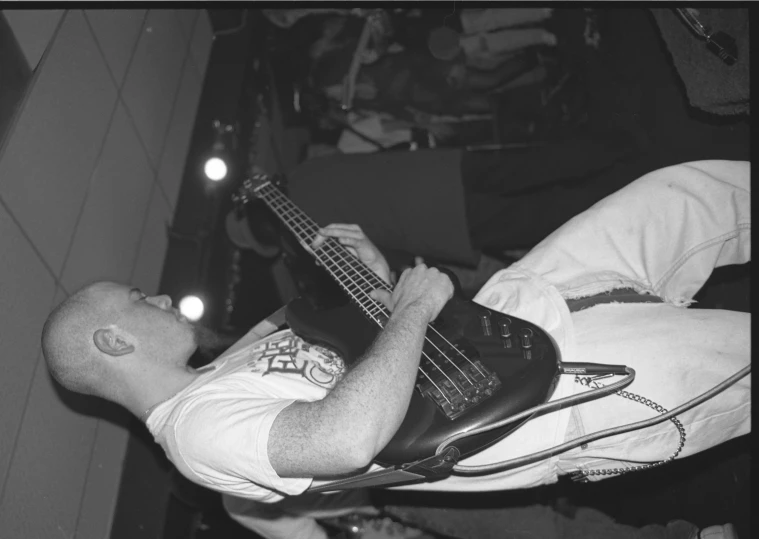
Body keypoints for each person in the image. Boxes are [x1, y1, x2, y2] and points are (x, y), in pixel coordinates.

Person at [41, 160, 750, 539]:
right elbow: (347, 436)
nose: (160, 298)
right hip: (538, 399)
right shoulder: (195, 434)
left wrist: (379, 285)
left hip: (511, 308)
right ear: (113, 340)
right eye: (140, 299)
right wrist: (410, 308)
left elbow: (374, 362)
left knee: (688, 196)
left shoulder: (228, 369)